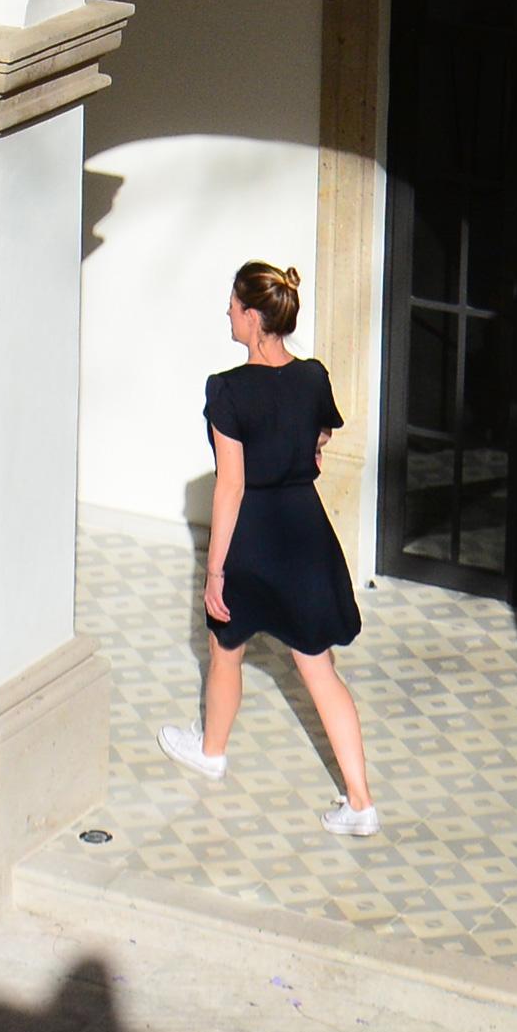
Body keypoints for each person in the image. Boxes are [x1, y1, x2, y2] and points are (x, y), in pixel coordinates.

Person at [160, 257, 374, 836]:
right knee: (320, 668)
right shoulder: (313, 377)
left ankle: (212, 750)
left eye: (233, 305)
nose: (227, 313)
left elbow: (230, 486)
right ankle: (360, 803)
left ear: (253, 318)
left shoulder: (227, 391)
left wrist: (213, 572)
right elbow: (320, 437)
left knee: (225, 645)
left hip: (254, 536)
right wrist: (308, 452)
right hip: (305, 532)